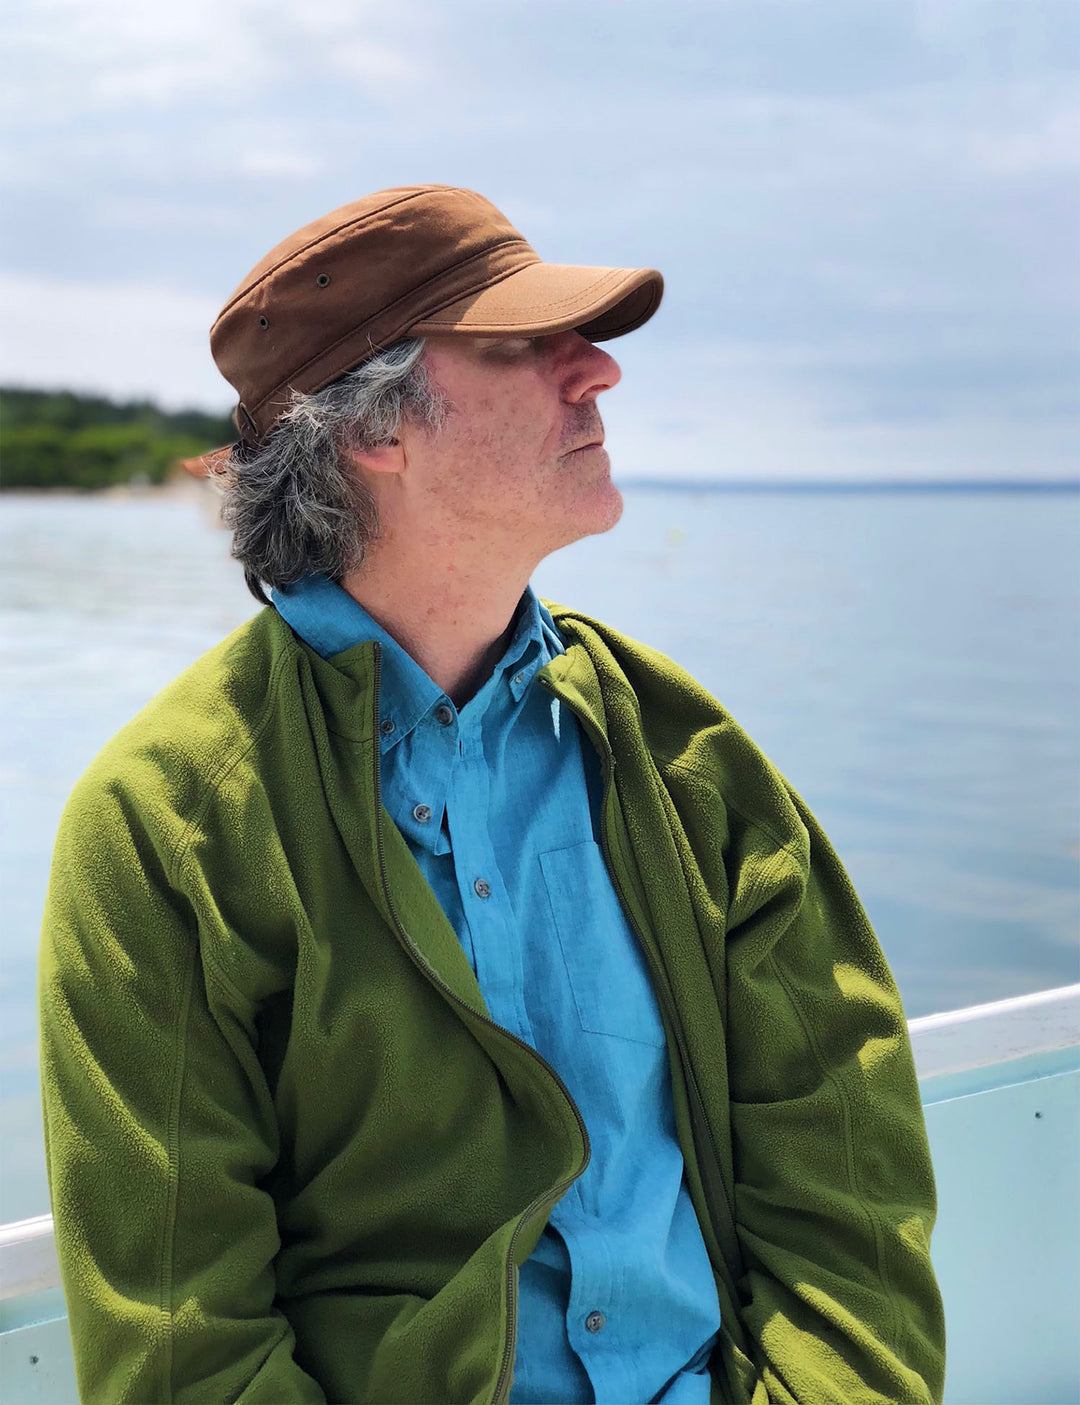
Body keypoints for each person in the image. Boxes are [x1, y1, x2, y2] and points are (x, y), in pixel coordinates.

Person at [39, 185, 946, 1405]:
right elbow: (180, 1350)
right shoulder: (165, 829)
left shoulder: (689, 760)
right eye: (525, 345)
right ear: (376, 430)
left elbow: (851, 1187)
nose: (600, 374)